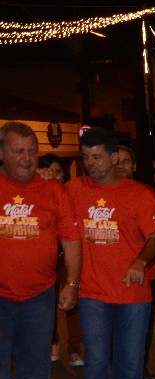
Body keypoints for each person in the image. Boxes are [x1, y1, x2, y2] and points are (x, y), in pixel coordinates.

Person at [65, 127, 155, 379]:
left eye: (96, 156)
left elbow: (154, 238)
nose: (90, 163)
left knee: (130, 359)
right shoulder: (73, 190)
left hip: (133, 294)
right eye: (85, 157)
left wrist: (140, 262)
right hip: (93, 291)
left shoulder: (140, 194)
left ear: (113, 157)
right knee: (96, 357)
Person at [0, 121, 81, 379]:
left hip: (39, 295)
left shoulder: (54, 191)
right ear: (2, 152)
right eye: (19, 151)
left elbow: (72, 240)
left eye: (32, 152)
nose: (26, 158)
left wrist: (72, 282)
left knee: (35, 365)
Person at [116, 145, 155, 379]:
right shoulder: (104, 194)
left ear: (134, 166)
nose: (121, 166)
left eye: (126, 162)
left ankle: (139, 368)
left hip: (146, 274)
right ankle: (117, 369)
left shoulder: (148, 194)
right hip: (112, 275)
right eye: (117, 161)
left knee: (143, 326)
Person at [38, 154, 82, 367]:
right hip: (45, 257)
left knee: (71, 300)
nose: (53, 176)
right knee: (48, 302)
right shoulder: (37, 192)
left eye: (58, 171)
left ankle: (75, 349)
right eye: (49, 171)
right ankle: (52, 343)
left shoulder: (71, 193)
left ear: (64, 174)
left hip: (68, 255)